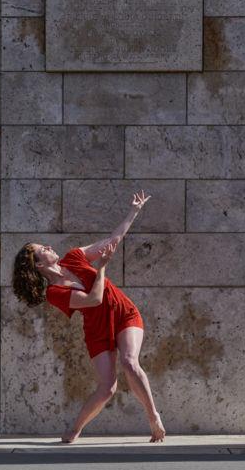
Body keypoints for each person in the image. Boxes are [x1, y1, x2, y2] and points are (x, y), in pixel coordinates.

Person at [12, 190, 165, 443]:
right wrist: (102, 266)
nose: (50, 247)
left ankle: (153, 417)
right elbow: (94, 299)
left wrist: (134, 211)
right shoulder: (55, 292)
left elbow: (113, 239)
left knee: (129, 361)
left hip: (123, 312)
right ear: (39, 265)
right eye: (43, 249)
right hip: (97, 328)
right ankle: (75, 429)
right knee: (107, 388)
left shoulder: (73, 256)